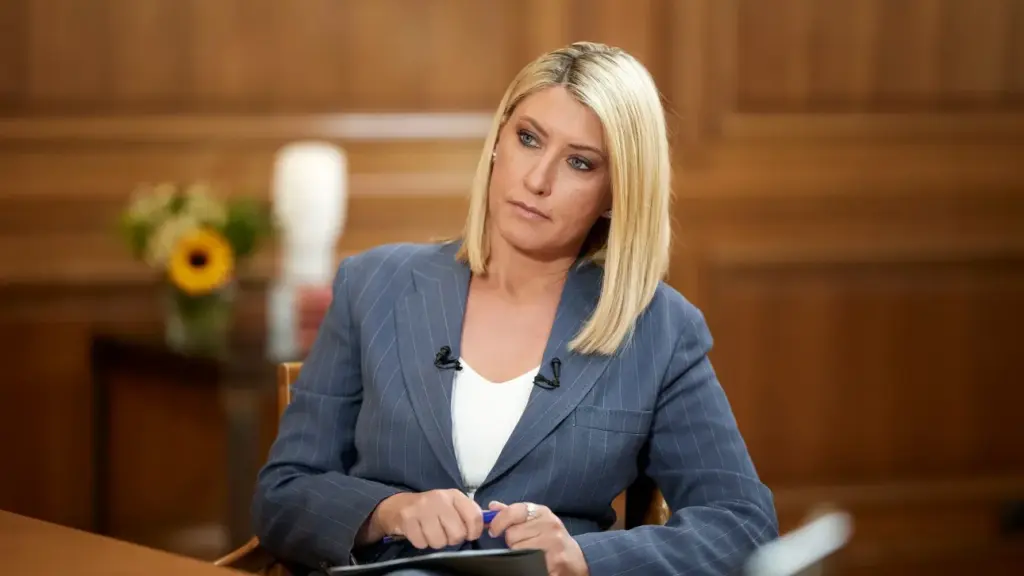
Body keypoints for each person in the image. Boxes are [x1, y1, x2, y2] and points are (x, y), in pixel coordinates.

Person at [252, 41, 778, 576]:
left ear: (617, 192)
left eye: (579, 162)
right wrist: (388, 512)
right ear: (498, 141)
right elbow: (283, 492)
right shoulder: (373, 285)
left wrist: (582, 558)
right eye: (529, 139)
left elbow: (743, 525)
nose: (537, 180)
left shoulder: (659, 329)